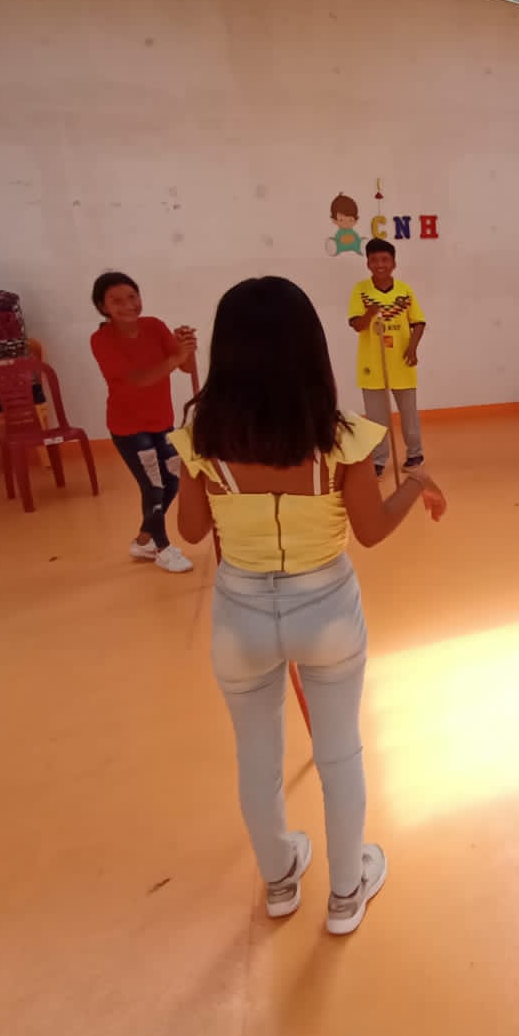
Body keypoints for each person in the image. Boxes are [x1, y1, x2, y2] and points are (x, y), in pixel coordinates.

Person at [171, 276, 447, 934]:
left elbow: (188, 530)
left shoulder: (201, 433)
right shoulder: (341, 436)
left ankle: (278, 880)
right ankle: (346, 892)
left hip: (240, 615)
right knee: (339, 753)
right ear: (311, 349)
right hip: (325, 611)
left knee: (257, 756)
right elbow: (370, 531)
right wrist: (415, 484)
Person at [89, 271, 197, 573]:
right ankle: (162, 548)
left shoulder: (154, 326)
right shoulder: (102, 340)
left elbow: (187, 368)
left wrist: (185, 348)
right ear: (103, 307)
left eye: (132, 297)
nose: (128, 305)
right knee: (153, 486)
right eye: (117, 301)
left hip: (161, 420)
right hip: (129, 427)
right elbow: (138, 379)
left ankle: (143, 540)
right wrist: (176, 358)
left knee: (173, 479)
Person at [347, 239, 426, 479]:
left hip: (402, 363)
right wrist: (370, 313)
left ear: (394, 263)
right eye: (374, 260)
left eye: (385, 260)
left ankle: (415, 454)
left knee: (408, 413)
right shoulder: (360, 291)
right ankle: (378, 460)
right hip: (372, 364)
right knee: (376, 418)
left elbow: (418, 322)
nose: (380, 264)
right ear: (367, 263)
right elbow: (357, 326)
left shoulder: (404, 290)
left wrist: (412, 348)